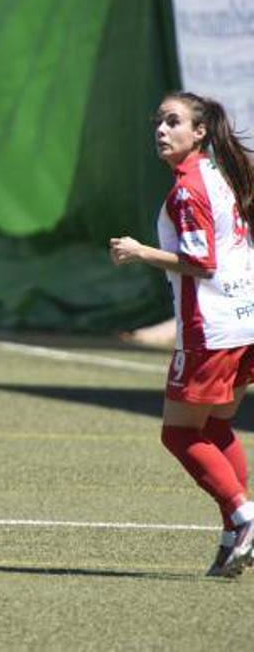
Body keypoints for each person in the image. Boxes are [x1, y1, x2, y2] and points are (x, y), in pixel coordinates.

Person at [109, 92, 254, 579]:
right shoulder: (221, 174)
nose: (161, 130)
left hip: (210, 328)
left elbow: (201, 261)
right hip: (245, 320)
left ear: (199, 133)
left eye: (173, 122)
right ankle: (235, 532)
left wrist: (139, 250)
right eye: (159, 121)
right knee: (213, 428)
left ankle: (246, 517)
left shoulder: (190, 188)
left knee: (178, 433)